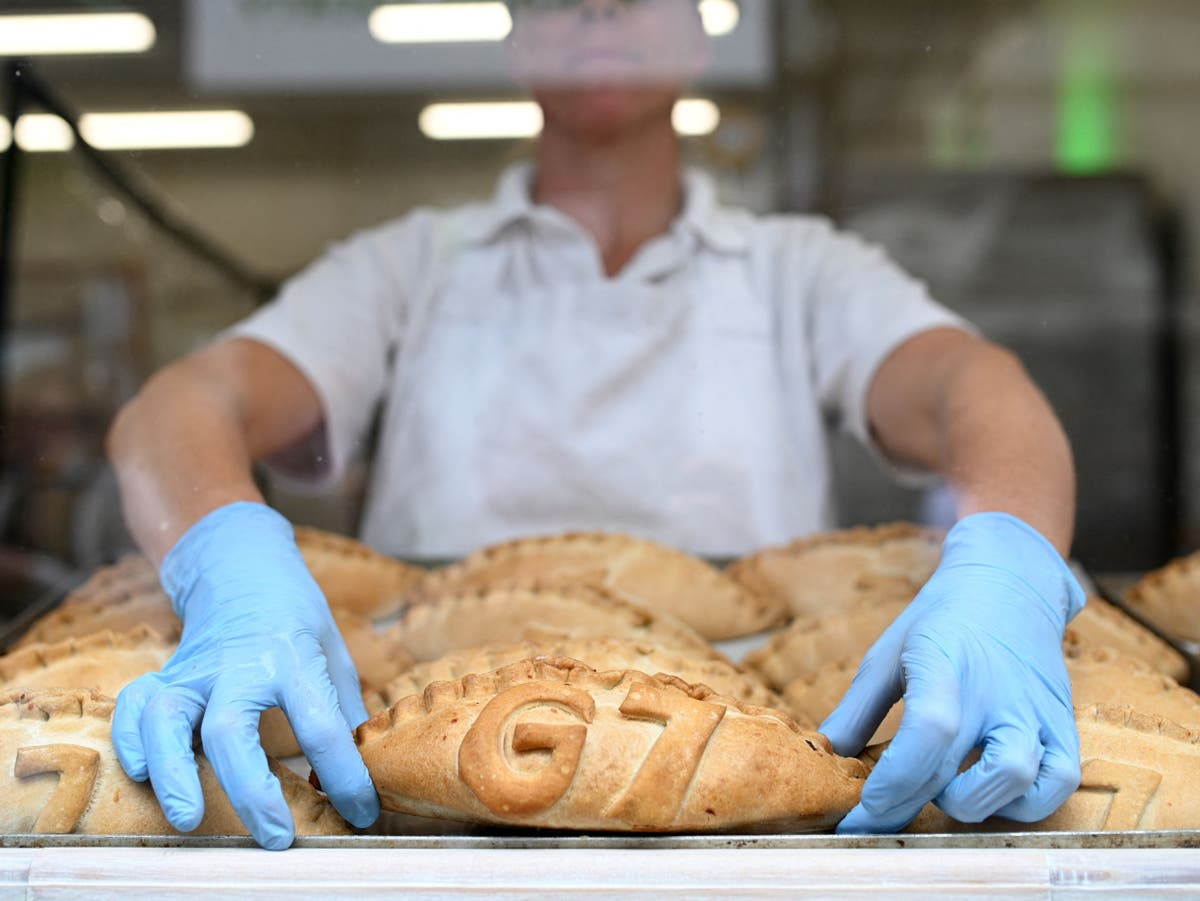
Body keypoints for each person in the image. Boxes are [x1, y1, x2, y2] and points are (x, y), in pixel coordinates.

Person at [106, 0, 1085, 850]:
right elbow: (182, 405)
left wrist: (1009, 561)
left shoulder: (795, 270)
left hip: (747, 757)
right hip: (427, 762)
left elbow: (975, 385)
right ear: (518, 45)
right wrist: (223, 551)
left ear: (700, 42)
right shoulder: (415, 267)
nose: (600, 15)